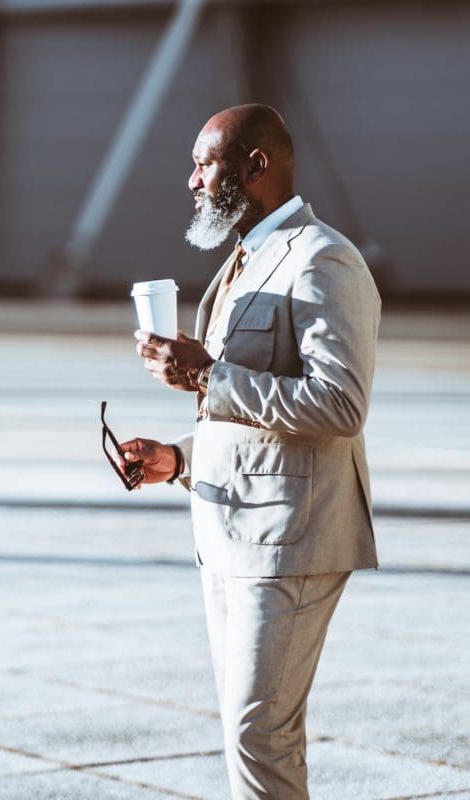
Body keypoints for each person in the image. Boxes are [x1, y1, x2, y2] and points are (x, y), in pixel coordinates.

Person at [119, 104, 380, 799]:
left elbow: (340, 405)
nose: (191, 181)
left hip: (291, 538)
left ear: (255, 166)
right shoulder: (245, 259)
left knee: (256, 735)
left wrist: (206, 373)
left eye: (203, 164)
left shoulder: (324, 260)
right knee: (255, 737)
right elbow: (248, 410)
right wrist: (177, 458)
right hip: (230, 529)